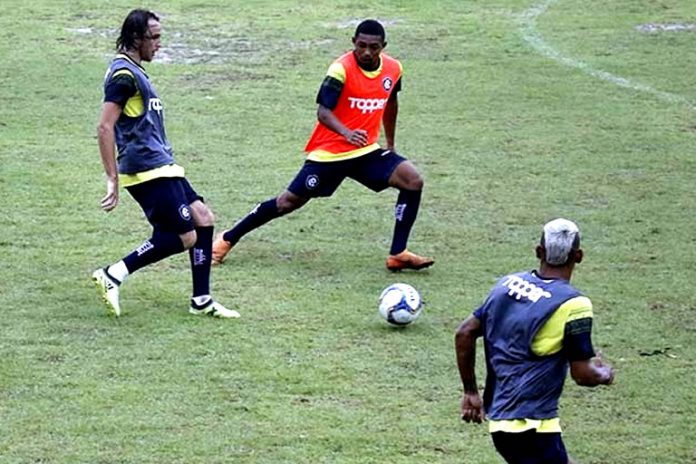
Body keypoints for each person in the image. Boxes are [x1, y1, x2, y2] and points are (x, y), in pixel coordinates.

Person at [212, 19, 434, 272]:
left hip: (365, 151)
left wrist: (390, 143)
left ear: (383, 46)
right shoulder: (340, 69)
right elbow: (323, 112)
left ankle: (398, 253)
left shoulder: (394, 69)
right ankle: (228, 238)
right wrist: (347, 133)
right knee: (287, 202)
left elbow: (390, 102)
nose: (367, 52)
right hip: (331, 153)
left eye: (374, 47)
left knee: (412, 180)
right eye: (361, 46)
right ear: (353, 43)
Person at [92, 9, 239, 318]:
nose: (159, 44)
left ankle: (201, 300)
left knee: (203, 218)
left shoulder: (136, 71)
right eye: (154, 38)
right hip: (145, 167)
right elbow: (104, 127)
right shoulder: (123, 75)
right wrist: (112, 178)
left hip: (161, 164)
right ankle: (113, 274)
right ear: (135, 38)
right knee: (184, 236)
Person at [455, 218, 614, 464]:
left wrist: (470, 391)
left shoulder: (507, 285)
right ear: (579, 256)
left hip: (503, 420)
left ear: (539, 252)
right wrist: (604, 374)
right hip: (531, 424)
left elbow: (464, 333)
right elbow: (582, 374)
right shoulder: (574, 304)